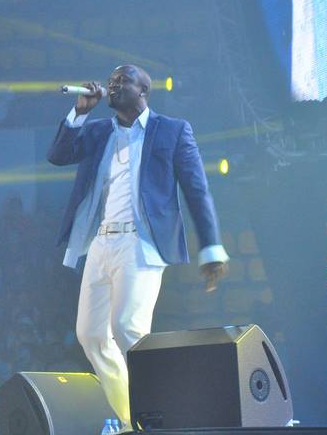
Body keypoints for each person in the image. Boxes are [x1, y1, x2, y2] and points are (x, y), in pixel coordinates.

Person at [47, 64, 229, 426]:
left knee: (127, 329)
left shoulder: (172, 130)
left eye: (123, 81)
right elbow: (58, 155)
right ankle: (134, 419)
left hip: (140, 242)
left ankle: (163, 417)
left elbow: (197, 190)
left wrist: (211, 247)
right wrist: (80, 113)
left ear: (143, 90)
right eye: (111, 81)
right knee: (91, 335)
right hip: (101, 241)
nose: (113, 85)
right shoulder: (99, 130)